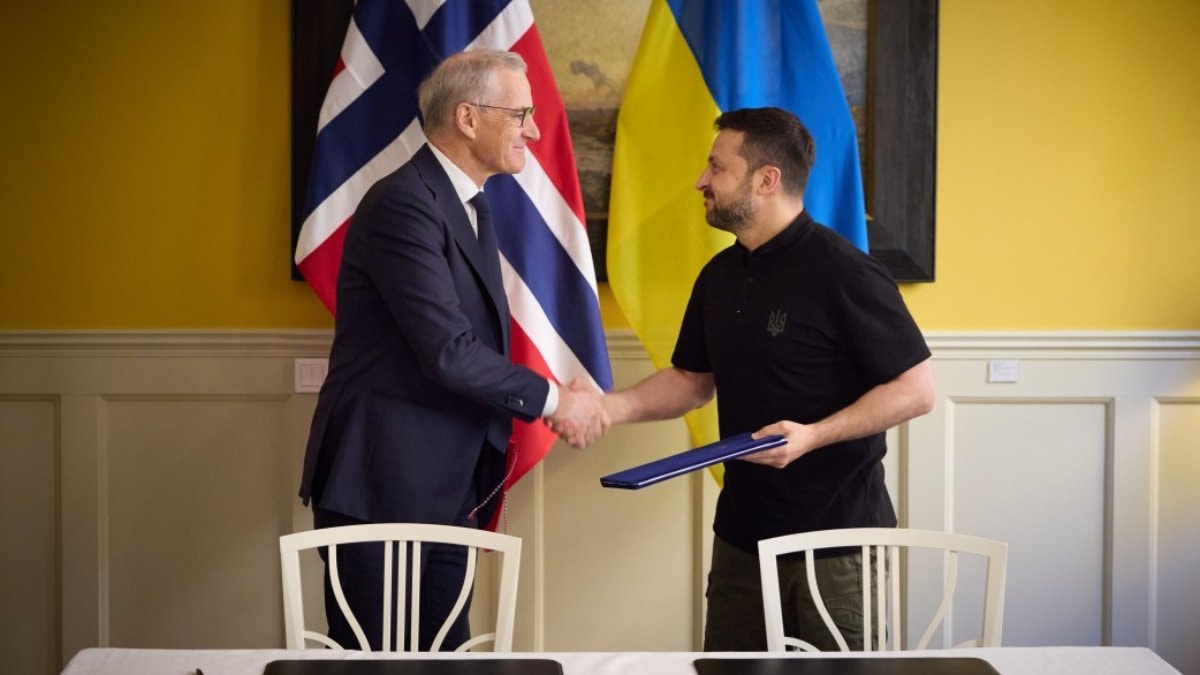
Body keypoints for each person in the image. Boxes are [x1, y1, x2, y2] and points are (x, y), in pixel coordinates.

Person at [298, 50, 608, 651]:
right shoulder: (404, 204)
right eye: (520, 114)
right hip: (382, 485)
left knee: (447, 656)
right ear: (468, 118)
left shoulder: (466, 204)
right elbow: (448, 351)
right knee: (378, 663)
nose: (533, 131)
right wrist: (554, 400)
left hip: (444, 484)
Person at [602, 107, 935, 651]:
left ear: (766, 180)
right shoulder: (718, 275)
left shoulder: (846, 271)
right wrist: (605, 408)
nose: (701, 181)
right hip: (741, 538)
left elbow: (916, 391)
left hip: (837, 543)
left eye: (717, 167)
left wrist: (812, 435)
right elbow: (691, 381)